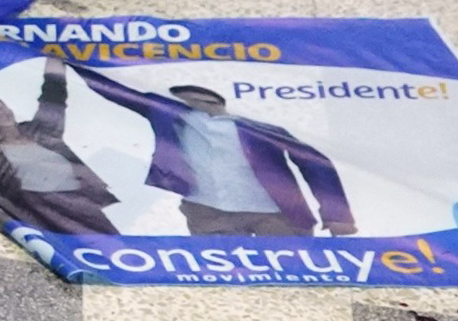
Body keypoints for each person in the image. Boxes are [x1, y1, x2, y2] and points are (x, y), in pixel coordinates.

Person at [76, 75, 354, 237]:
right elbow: (114, 90)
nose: (191, 104)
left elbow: (314, 162)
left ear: (218, 101)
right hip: (209, 212)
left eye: (198, 100)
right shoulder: (167, 112)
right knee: (220, 279)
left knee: (295, 273)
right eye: (185, 100)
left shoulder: (258, 123)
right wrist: (66, 57)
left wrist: (336, 214)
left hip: (276, 212)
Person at [0, 58, 119, 236]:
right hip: (40, 212)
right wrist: (0, 219)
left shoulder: (40, 130)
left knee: (112, 245)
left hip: (81, 201)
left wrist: (54, 56)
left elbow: (54, 94)